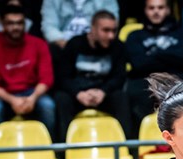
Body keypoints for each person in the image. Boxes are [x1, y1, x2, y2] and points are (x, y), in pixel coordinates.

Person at [124, 0, 183, 131]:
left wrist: (155, 55)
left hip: (177, 77)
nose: (156, 11)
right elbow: (139, 63)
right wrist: (172, 56)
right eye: (151, 8)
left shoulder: (182, 33)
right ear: (145, 11)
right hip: (147, 79)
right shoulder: (135, 36)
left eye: (160, 7)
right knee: (133, 91)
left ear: (168, 10)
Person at [0, 3, 56, 137]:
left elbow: (47, 78)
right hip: (5, 95)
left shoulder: (39, 44)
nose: (15, 27)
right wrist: (12, 100)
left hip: (32, 93)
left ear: (25, 24)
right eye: (10, 23)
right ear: (3, 25)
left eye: (19, 23)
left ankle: (50, 150)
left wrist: (32, 98)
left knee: (47, 105)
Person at [54, 10, 129, 141]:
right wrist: (78, 93)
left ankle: (127, 148)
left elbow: (119, 76)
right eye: (105, 30)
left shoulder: (118, 46)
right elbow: (62, 77)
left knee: (121, 98)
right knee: (61, 99)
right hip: (78, 95)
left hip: (103, 94)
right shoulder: (74, 44)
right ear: (93, 29)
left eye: (113, 30)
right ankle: (63, 153)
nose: (111, 35)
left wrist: (103, 92)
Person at [41, 0, 120, 50]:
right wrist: (69, 46)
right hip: (62, 46)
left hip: (95, 43)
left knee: (117, 47)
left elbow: (112, 23)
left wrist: (91, 43)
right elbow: (49, 27)